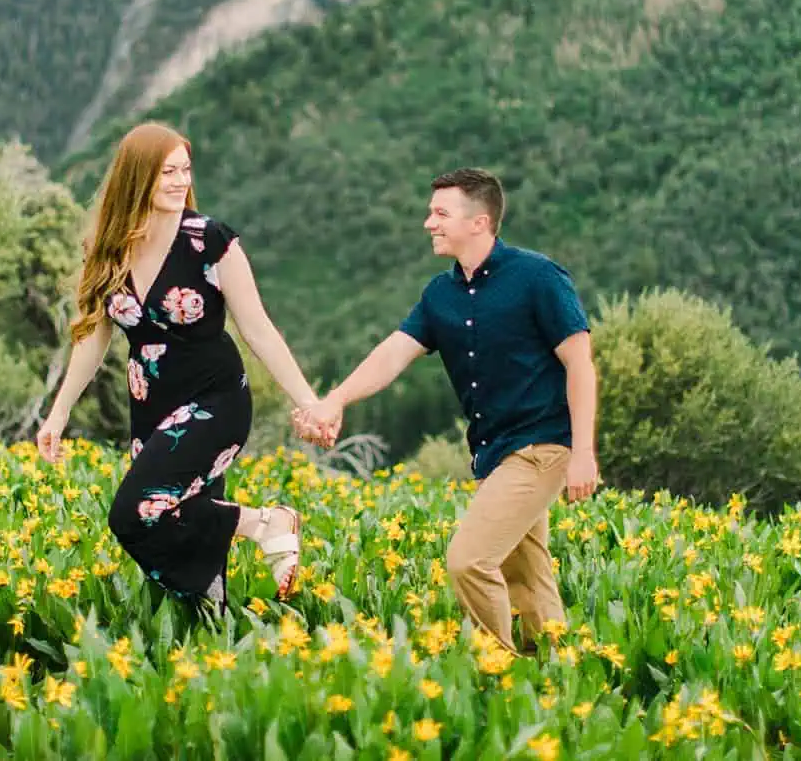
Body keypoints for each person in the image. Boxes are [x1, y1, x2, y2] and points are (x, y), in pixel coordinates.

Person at [293, 167, 600, 655]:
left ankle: (498, 671)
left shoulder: (538, 277)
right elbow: (393, 353)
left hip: (541, 445)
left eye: (440, 213)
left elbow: (579, 364)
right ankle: (560, 676)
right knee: (527, 574)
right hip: (493, 453)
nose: (427, 223)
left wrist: (583, 452)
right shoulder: (442, 294)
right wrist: (336, 400)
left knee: (469, 560)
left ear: (479, 222)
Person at [37, 122, 317, 614]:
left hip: (216, 399)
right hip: (151, 406)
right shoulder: (105, 247)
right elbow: (93, 337)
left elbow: (258, 329)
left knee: (133, 512)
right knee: (185, 523)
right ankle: (213, 630)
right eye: (167, 171)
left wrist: (309, 402)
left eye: (185, 170)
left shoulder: (209, 241)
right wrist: (57, 414)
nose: (179, 181)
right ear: (137, 177)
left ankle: (265, 524)